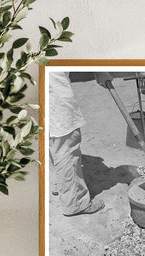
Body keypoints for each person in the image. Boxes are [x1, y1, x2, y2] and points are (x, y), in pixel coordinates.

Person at [49, 72, 113, 216]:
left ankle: (61, 186)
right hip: (54, 89)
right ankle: (75, 202)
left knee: (52, 142)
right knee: (67, 144)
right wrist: (100, 71)